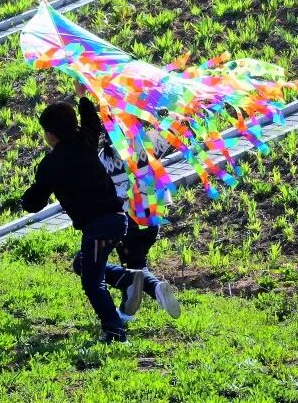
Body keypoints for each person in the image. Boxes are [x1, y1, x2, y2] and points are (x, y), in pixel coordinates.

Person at [21, 81, 145, 344]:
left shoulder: (51, 164)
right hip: (117, 220)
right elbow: (91, 121)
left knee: (92, 284)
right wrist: (82, 96)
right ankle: (126, 279)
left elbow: (34, 203)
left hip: (99, 227)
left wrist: (27, 196)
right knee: (83, 263)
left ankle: (115, 333)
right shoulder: (85, 141)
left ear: (49, 134)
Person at [98, 136, 182, 320]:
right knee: (135, 266)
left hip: (129, 222)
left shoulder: (105, 157)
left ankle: (155, 288)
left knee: (133, 270)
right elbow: (167, 138)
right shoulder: (147, 143)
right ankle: (126, 312)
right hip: (152, 218)